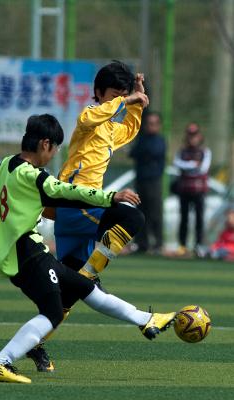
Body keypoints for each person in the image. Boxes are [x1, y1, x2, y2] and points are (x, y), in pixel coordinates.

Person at [0, 113, 175, 383]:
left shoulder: (4, 165)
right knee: (53, 312)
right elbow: (70, 192)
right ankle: (0, 363)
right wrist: (111, 197)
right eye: (55, 148)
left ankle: (147, 319)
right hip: (28, 252)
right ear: (45, 144)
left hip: (20, 252)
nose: (54, 154)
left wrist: (3, 221)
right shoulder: (34, 176)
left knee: (85, 287)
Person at [53, 61, 149, 280]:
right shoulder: (90, 116)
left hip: (88, 202)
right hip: (75, 200)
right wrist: (126, 100)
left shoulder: (110, 128)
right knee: (133, 218)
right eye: (115, 96)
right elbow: (87, 118)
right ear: (98, 92)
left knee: (68, 290)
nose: (120, 102)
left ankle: (84, 281)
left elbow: (130, 130)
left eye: (122, 96)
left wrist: (135, 102)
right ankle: (88, 275)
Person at [129, 111, 166, 253]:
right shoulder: (142, 139)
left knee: (155, 212)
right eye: (149, 123)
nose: (151, 126)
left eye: (154, 123)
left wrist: (141, 152)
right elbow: (134, 153)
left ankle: (158, 243)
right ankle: (141, 243)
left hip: (154, 182)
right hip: (141, 181)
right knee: (141, 212)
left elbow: (151, 152)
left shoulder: (159, 140)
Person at [173, 123, 212, 255]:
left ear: (199, 136)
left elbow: (203, 169)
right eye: (190, 135)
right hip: (184, 190)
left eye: (194, 135)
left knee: (199, 219)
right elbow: (177, 164)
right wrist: (192, 165)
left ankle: (198, 245)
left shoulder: (205, 152)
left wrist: (187, 167)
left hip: (199, 191)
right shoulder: (182, 151)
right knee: (184, 219)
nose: (192, 138)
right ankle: (182, 245)